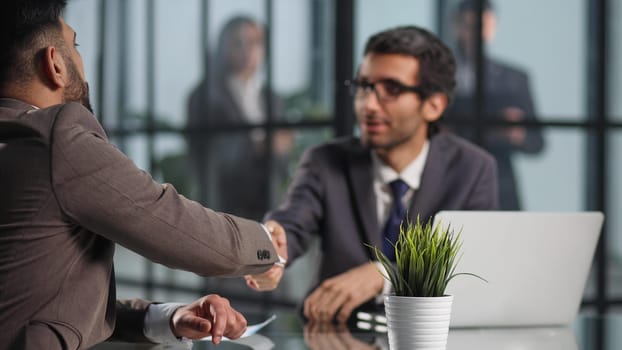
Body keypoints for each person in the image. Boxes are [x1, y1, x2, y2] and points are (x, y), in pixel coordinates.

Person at [0, 1, 286, 349]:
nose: (80, 60)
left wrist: (169, 318)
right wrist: (267, 244)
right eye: (74, 46)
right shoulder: (54, 136)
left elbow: (38, 305)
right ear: (54, 63)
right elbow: (175, 223)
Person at [246, 25, 498, 322]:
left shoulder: (473, 168)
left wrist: (386, 274)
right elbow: (293, 222)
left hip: (431, 333)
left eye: (392, 90)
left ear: (433, 105)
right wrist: (272, 247)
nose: (368, 105)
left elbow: (471, 266)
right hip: (335, 331)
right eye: (364, 86)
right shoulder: (324, 161)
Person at [187, 15, 292, 221]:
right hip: (223, 207)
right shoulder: (205, 95)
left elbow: (282, 160)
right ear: (223, 47)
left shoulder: (272, 97)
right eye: (238, 43)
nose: (248, 50)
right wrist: (258, 145)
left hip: (267, 203)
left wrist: (281, 145)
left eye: (255, 43)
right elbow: (204, 153)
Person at [443, 0, 544, 210]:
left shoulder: (514, 78)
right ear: (456, 26)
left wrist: (516, 134)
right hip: (452, 178)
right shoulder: (439, 76)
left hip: (500, 184)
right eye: (471, 25)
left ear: (493, 27)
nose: (478, 33)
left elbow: (537, 142)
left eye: (485, 26)